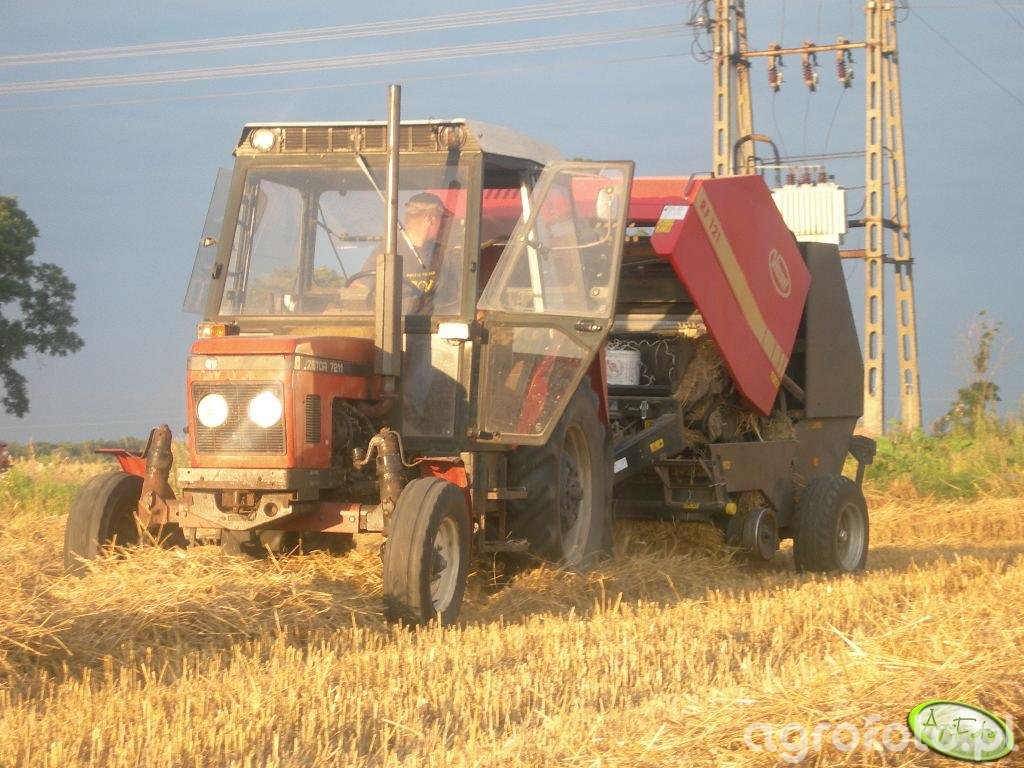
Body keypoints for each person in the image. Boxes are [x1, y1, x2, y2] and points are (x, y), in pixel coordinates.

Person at [345, 192, 455, 315]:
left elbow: (456, 299)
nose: (444, 225)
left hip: (432, 328)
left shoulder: (444, 254)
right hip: (392, 324)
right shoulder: (386, 251)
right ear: (430, 219)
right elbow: (359, 289)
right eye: (442, 219)